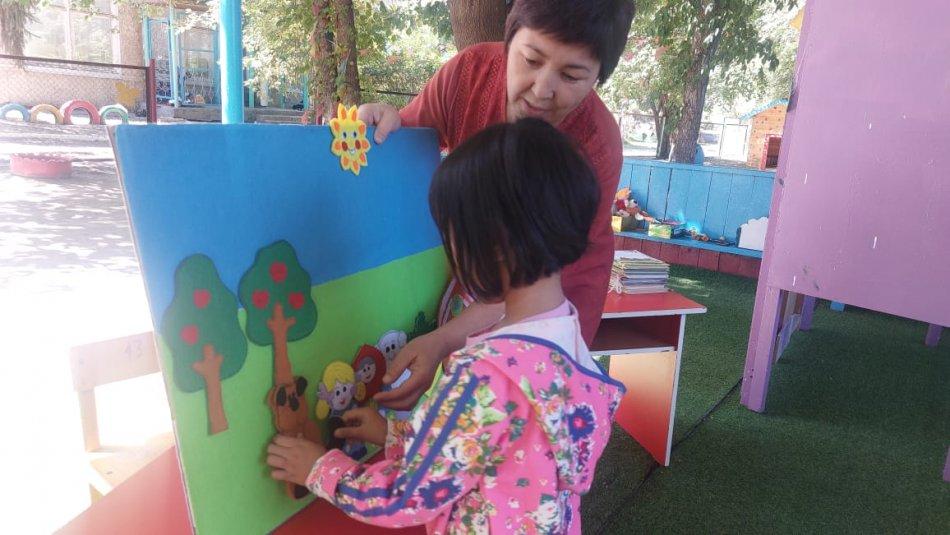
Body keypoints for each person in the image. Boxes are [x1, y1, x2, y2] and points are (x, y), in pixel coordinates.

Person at [267, 119, 626, 533]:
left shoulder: (485, 374)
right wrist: (393, 434)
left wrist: (319, 467)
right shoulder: (568, 339)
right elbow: (497, 449)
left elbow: (404, 498)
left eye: (451, 237)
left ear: (492, 243)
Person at [363, 0, 637, 410]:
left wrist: (446, 341)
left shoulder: (595, 144)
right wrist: (387, 122)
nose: (541, 90)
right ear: (510, 38)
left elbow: (537, 286)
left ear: (599, 76)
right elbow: (409, 140)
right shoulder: (468, 74)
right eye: (531, 60)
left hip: (545, 307)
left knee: (513, 404)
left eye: (571, 75)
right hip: (487, 286)